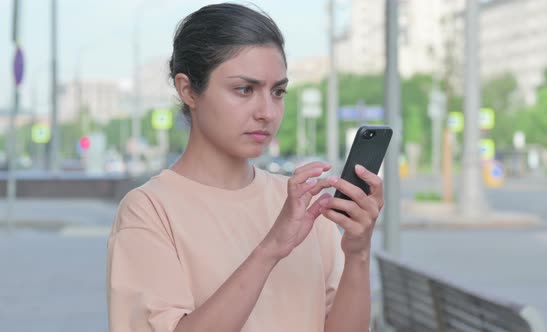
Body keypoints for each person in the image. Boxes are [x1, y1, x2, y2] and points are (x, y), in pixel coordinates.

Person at [106, 3, 384, 332]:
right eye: (245, 90)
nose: (267, 111)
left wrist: (357, 253)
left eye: (278, 91)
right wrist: (270, 249)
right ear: (188, 90)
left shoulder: (303, 203)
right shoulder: (149, 210)